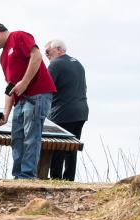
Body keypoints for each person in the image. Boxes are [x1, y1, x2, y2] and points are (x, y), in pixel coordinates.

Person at [0, 21, 56, 180]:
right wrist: (6, 114)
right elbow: (10, 86)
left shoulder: (18, 36)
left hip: (38, 94)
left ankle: (27, 176)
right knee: (17, 138)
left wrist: (25, 82)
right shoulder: (3, 57)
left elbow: (36, 55)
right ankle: (18, 176)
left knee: (31, 136)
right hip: (20, 101)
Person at [44, 39, 88, 181]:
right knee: (72, 147)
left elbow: (46, 88)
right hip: (81, 112)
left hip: (62, 112)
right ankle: (69, 178)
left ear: (58, 49)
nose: (46, 55)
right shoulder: (78, 63)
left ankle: (55, 178)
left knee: (58, 145)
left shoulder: (55, 64)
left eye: (47, 52)